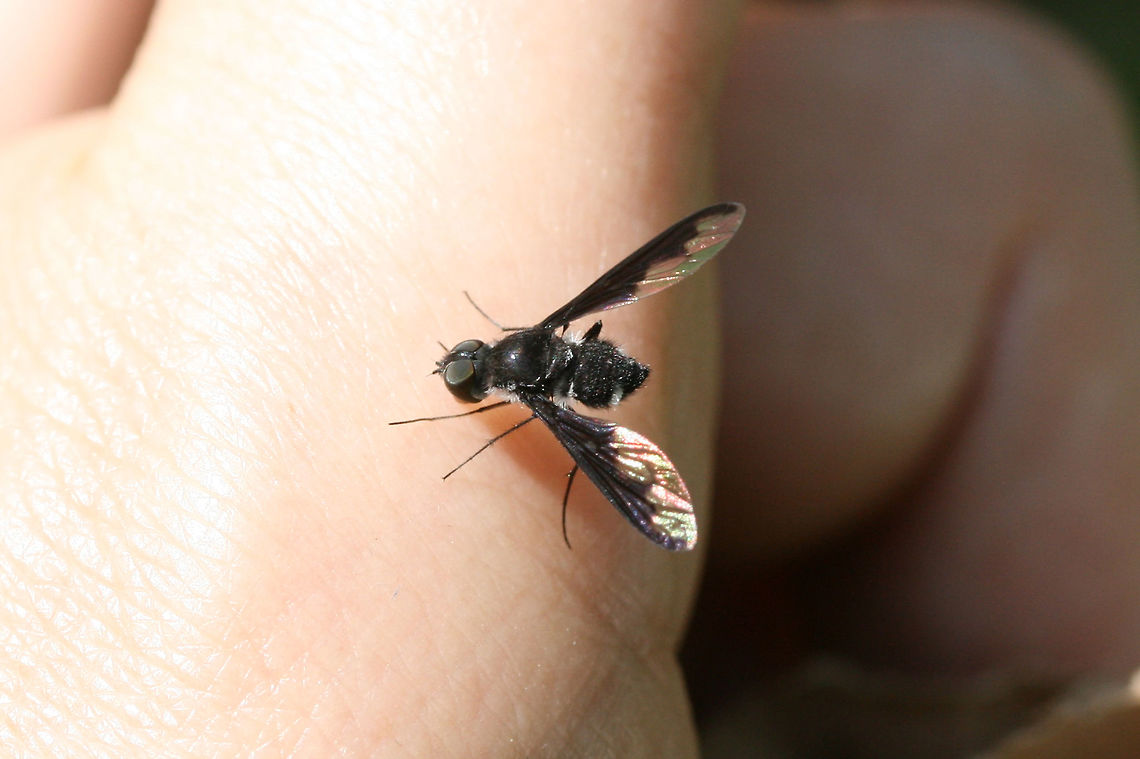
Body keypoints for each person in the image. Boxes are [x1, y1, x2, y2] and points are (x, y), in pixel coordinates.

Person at [1, 2, 1136, 755]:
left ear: (495, 376)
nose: (473, 379)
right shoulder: (526, 353)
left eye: (472, 377)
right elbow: (629, 283)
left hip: (595, 376)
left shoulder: (530, 395)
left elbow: (585, 419)